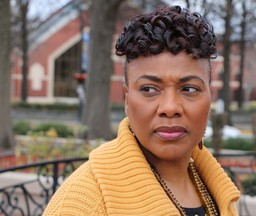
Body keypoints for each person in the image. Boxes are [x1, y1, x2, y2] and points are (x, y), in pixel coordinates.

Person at [43, 5, 240, 216]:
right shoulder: (81, 205)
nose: (170, 108)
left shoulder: (214, 189)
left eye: (189, 89)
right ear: (127, 99)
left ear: (210, 96)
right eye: (149, 89)